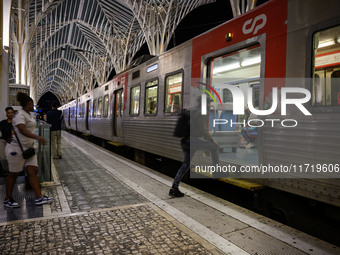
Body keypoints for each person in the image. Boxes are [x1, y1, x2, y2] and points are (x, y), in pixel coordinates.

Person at [4, 92, 54, 208]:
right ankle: (7, 199)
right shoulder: (20, 115)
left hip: (28, 149)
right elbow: (21, 129)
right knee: (13, 174)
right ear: (28, 104)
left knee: (33, 171)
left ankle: (39, 197)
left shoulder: (29, 115)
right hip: (16, 149)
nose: (33, 106)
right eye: (32, 104)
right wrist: (37, 137)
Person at [169, 105, 219, 197]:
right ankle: (216, 171)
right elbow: (203, 130)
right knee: (213, 147)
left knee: (185, 165)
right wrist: (212, 141)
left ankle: (174, 188)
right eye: (209, 103)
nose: (210, 105)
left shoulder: (193, 111)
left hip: (185, 141)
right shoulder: (201, 112)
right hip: (193, 141)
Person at [0, 107, 14, 176]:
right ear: (6, 114)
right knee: (3, 156)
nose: (10, 114)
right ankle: (5, 168)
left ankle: (11, 169)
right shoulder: (2, 123)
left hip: (12, 141)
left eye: (11, 113)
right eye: (8, 113)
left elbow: (14, 135)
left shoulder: (15, 123)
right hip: (3, 140)